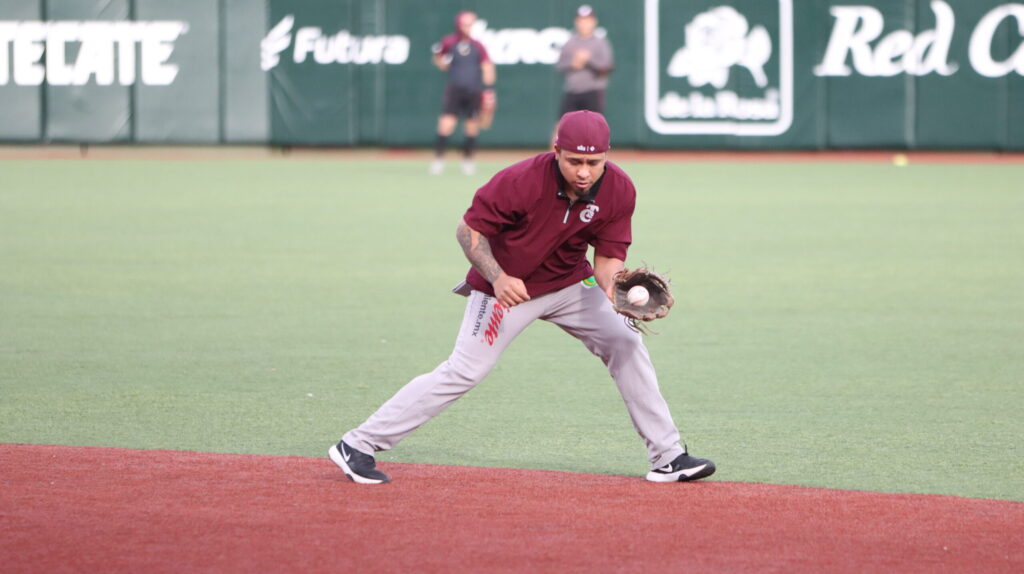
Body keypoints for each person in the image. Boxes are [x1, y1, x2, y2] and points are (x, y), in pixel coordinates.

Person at [329, 110, 715, 485]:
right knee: (465, 370)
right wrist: (497, 277)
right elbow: (469, 232)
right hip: (506, 290)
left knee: (625, 341)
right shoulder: (519, 181)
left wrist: (616, 292)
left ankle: (667, 457)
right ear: (556, 150)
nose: (584, 171)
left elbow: (608, 259)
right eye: (574, 160)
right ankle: (357, 444)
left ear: (606, 156)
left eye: (594, 162)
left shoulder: (619, 189)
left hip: (568, 284)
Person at [430, 11, 496, 176]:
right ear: (458, 25)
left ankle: (468, 161)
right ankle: (438, 160)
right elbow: (437, 57)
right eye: (466, 24)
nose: (469, 27)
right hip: (454, 91)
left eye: (471, 24)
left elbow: (487, 66)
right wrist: (444, 66)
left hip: (473, 91)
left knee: (472, 127)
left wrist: (489, 87)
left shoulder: (478, 45)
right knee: (446, 125)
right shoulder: (449, 42)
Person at [556, 5, 614, 116]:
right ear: (576, 22)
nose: (584, 24)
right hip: (572, 91)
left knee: (593, 127)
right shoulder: (570, 43)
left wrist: (589, 60)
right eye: (581, 21)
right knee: (562, 126)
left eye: (587, 21)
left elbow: (606, 68)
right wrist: (572, 63)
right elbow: (560, 65)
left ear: (594, 22)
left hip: (592, 91)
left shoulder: (600, 43)